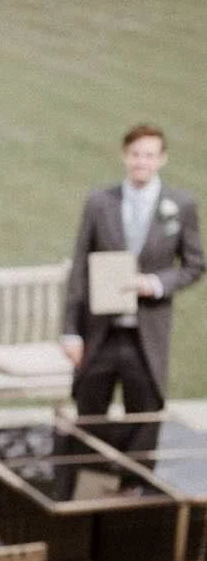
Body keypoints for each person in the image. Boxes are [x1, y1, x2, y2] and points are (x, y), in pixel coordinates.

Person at [61, 124, 203, 428]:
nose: (142, 162)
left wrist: (155, 284)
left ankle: (137, 462)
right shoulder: (100, 202)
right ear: (125, 156)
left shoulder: (180, 205)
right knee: (90, 416)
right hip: (101, 331)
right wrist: (71, 331)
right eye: (136, 154)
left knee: (143, 419)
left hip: (147, 332)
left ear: (162, 159)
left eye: (149, 155)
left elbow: (194, 265)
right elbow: (80, 267)